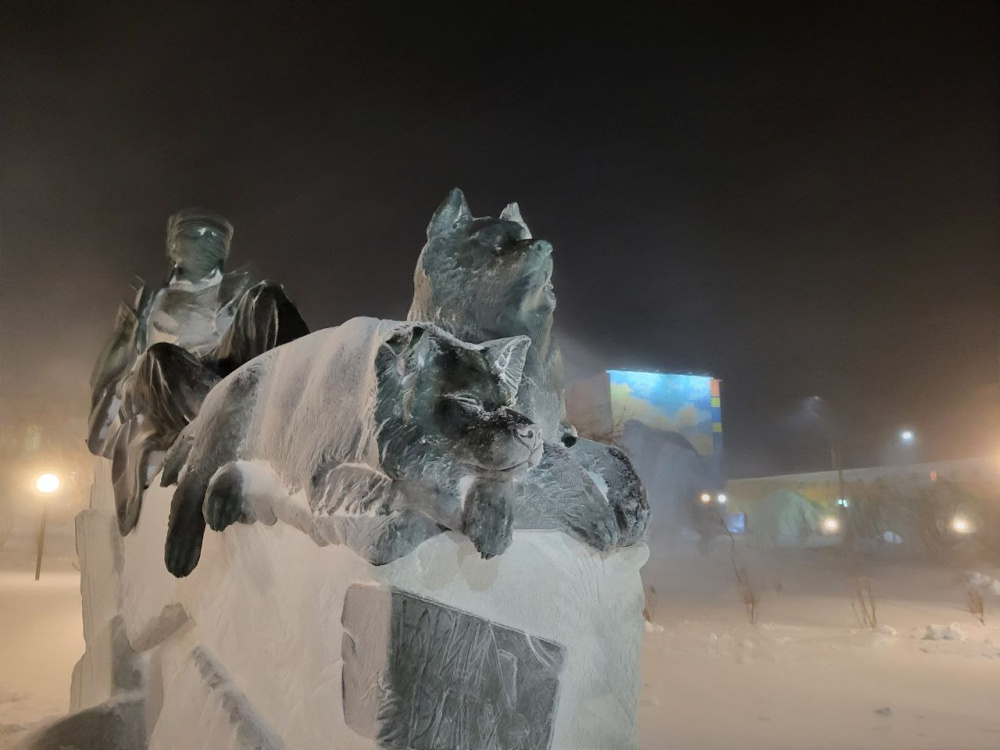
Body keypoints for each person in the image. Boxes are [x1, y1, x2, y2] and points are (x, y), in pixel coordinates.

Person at [87, 207, 309, 533]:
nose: (203, 244)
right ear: (173, 245)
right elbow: (110, 376)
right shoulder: (148, 301)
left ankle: (303, 419)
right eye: (192, 236)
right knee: (162, 358)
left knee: (268, 296)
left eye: (214, 239)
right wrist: (120, 398)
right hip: (160, 387)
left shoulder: (238, 292)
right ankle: (222, 446)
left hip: (225, 385)